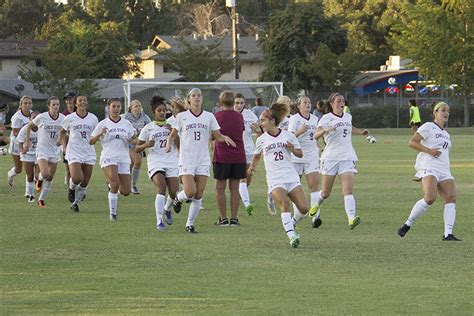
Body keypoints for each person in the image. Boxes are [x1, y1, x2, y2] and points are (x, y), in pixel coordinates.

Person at [165, 88, 236, 234]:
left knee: (198, 195)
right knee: (190, 191)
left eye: (199, 95)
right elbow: (172, 135)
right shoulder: (182, 116)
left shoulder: (209, 116)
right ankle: (178, 198)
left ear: (202, 99)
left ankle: (189, 224)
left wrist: (225, 138)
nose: (197, 98)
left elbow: (217, 135)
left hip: (202, 160)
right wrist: (168, 144)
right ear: (189, 99)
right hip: (186, 159)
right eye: (193, 96)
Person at [248, 102, 309, 248]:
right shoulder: (261, 139)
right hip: (275, 178)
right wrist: (252, 167)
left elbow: (300, 154)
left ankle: (292, 224)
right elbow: (257, 156)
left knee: (304, 209)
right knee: (284, 204)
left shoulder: (288, 135)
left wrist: (292, 149)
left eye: (263, 120)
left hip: (291, 176)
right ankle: (291, 236)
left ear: (272, 121)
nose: (261, 123)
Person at [398, 102, 461, 241]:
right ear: (435, 112)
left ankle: (448, 234)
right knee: (429, 199)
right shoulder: (428, 126)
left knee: (451, 198)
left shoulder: (446, 134)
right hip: (430, 166)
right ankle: (407, 224)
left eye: (448, 111)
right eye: (443, 110)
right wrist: (429, 151)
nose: (446, 113)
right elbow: (412, 142)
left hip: (444, 169)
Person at [310, 92, 371, 229]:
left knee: (348, 191)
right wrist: (325, 129)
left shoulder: (348, 116)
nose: (341, 103)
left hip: (347, 157)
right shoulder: (326, 118)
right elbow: (315, 135)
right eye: (338, 101)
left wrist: (360, 132)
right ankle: (316, 204)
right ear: (332, 103)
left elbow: (349, 128)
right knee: (325, 193)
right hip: (330, 158)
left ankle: (351, 218)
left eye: (342, 101)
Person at [135, 96, 179, 230]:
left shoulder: (172, 124)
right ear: (154, 112)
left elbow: (179, 145)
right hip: (156, 162)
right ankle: (159, 220)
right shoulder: (148, 128)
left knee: (174, 193)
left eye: (164, 110)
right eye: (159, 110)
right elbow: (137, 148)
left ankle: (167, 208)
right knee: (161, 186)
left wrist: (173, 132)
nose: (162, 112)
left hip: (172, 161)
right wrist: (147, 144)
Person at [90, 98, 137, 221]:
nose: (116, 109)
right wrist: (100, 134)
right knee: (115, 184)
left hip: (123, 158)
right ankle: (113, 214)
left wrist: (131, 140)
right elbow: (90, 141)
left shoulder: (126, 123)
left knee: (126, 191)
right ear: (108, 108)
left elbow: (134, 140)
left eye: (118, 107)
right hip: (109, 157)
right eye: (113, 106)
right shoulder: (102, 124)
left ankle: (110, 183)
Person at [59, 94, 98, 212]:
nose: (82, 102)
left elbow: (95, 134)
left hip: (89, 152)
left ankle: (75, 204)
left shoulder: (93, 118)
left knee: (85, 182)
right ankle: (71, 188)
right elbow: (62, 133)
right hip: (74, 151)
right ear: (75, 103)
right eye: (80, 101)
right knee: (77, 178)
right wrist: (64, 147)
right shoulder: (70, 118)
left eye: (84, 100)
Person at [288, 96, 322, 228]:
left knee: (314, 187)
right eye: (305, 103)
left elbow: (315, 136)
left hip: (312, 156)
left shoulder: (314, 119)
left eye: (309, 102)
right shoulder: (294, 119)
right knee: (294, 187)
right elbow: (289, 138)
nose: (308, 104)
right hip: (296, 157)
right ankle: (296, 216)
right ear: (299, 106)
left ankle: (315, 217)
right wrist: (299, 131)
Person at [213, 91, 246, 226]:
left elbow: (212, 135)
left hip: (222, 156)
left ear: (221, 102)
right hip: (238, 156)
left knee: (220, 188)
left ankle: (223, 218)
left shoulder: (216, 116)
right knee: (235, 188)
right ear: (233, 102)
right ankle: (234, 218)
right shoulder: (239, 117)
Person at [25, 96, 65, 208]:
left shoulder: (63, 118)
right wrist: (27, 141)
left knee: (51, 177)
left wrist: (61, 140)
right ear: (49, 106)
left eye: (57, 104)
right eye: (53, 104)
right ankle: (39, 181)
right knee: (45, 173)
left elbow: (65, 131)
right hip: (42, 149)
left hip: (54, 150)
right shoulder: (42, 117)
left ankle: (41, 199)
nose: (56, 106)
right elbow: (29, 126)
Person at [233, 92, 259, 215]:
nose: (239, 105)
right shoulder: (230, 115)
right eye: (237, 103)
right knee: (242, 178)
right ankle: (247, 204)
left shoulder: (250, 115)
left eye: (241, 103)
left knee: (247, 180)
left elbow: (259, 129)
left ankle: (239, 196)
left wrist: (257, 129)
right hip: (236, 150)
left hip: (249, 149)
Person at [121, 99, 151, 194]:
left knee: (130, 164)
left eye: (139, 106)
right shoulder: (125, 117)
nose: (138, 108)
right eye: (136, 106)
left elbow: (150, 128)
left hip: (139, 143)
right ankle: (132, 186)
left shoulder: (145, 117)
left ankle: (123, 183)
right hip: (129, 144)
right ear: (131, 108)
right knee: (137, 162)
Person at [7, 96, 32, 186]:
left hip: (29, 143)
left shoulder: (33, 115)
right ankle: (10, 174)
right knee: (18, 169)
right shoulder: (17, 116)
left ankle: (29, 189)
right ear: (21, 105)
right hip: (17, 143)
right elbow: (15, 132)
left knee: (29, 166)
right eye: (25, 103)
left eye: (29, 103)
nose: (27, 105)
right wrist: (26, 138)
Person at [17, 111, 39, 202]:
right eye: (33, 118)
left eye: (37, 118)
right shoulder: (25, 129)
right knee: (30, 176)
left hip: (39, 154)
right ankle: (31, 195)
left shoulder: (42, 128)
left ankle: (38, 188)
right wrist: (22, 151)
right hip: (28, 155)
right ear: (30, 119)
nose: (35, 120)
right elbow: (19, 142)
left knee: (38, 176)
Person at [61, 91, 76, 187]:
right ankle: (69, 188)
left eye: (70, 98)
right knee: (68, 169)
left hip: (78, 144)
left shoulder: (79, 112)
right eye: (67, 99)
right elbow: (62, 132)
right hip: (67, 143)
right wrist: (64, 147)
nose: (68, 101)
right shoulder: (64, 115)